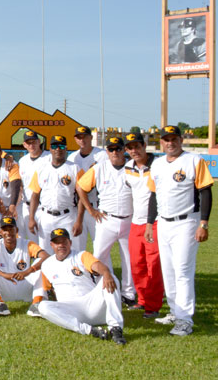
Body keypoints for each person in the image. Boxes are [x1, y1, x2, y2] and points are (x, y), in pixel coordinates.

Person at [147, 125, 214, 336]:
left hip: (187, 223)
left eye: (174, 139)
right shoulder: (157, 164)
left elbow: (205, 192)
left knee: (183, 271)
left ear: (181, 140)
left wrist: (203, 223)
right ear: (161, 142)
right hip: (164, 223)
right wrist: (150, 223)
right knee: (168, 271)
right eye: (166, 139)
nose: (170, 143)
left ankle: (185, 320)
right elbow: (153, 196)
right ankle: (175, 312)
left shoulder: (194, 161)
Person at [37, 228, 127, 345]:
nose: (61, 245)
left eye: (64, 241)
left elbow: (99, 266)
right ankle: (90, 330)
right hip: (71, 310)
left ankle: (115, 328)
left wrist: (106, 273)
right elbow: (48, 290)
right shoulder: (46, 265)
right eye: (57, 242)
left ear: (70, 243)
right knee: (43, 307)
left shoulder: (81, 256)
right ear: (52, 245)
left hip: (93, 305)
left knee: (111, 277)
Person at [77, 136, 136, 306]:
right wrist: (90, 210)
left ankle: (129, 294)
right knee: (99, 256)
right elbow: (81, 187)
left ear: (124, 149)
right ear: (107, 151)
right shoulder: (99, 168)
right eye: (111, 149)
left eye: (118, 148)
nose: (115, 152)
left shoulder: (132, 167)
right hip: (106, 218)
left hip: (129, 219)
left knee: (129, 259)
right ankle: (99, 290)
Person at [123, 132, 164, 318]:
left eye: (137, 146)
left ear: (144, 146)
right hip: (135, 223)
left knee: (153, 265)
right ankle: (142, 300)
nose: (134, 150)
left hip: (155, 222)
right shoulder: (127, 168)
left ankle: (153, 306)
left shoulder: (158, 165)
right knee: (137, 265)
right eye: (130, 147)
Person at [0, 217, 48, 317]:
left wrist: (29, 271)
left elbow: (46, 256)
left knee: (41, 264)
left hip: (25, 284)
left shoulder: (27, 243)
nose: (8, 232)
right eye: (5, 230)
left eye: (11, 229)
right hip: (4, 287)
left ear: (16, 230)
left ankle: (36, 303)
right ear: (0, 232)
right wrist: (3, 274)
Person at [28, 135, 84, 253]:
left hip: (67, 216)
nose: (58, 149)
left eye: (61, 146)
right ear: (50, 149)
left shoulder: (75, 168)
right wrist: (32, 217)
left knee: (72, 251)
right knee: (45, 251)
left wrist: (79, 220)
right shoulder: (41, 169)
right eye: (55, 146)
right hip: (46, 216)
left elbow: (81, 197)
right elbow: (35, 195)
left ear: (66, 148)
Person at [67, 125, 107, 249]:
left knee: (100, 247)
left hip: (97, 206)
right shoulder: (72, 157)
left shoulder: (102, 155)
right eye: (79, 137)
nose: (82, 140)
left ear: (91, 137)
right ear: (75, 139)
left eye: (85, 137)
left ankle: (103, 269)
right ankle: (81, 269)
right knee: (77, 245)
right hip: (77, 208)